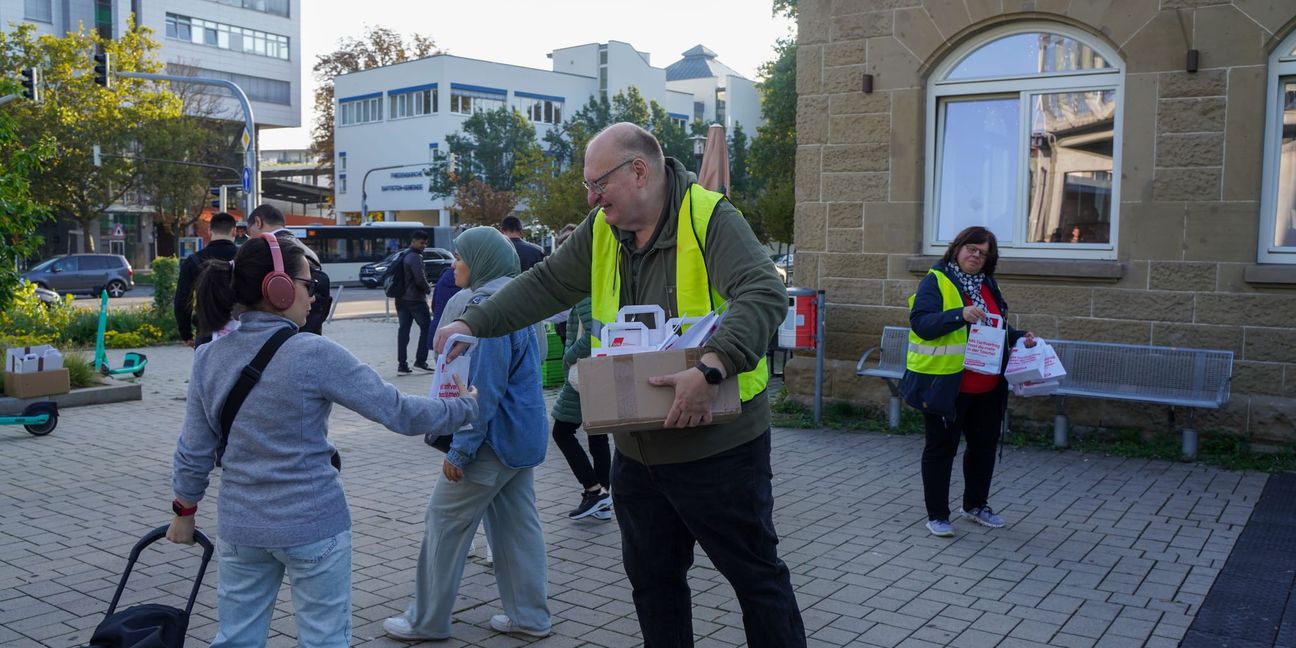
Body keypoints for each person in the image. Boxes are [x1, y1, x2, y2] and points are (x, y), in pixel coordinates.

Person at [434, 122, 805, 648]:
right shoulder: (602, 228)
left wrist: (712, 367)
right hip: (638, 450)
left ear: (638, 170)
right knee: (653, 585)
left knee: (755, 579)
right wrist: (473, 323)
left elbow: (763, 291)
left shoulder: (709, 217)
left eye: (597, 183)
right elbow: (546, 283)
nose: (590, 196)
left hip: (718, 447)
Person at [167, 234, 478, 648]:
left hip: (242, 528)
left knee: (236, 639)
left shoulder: (209, 356)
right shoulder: (314, 353)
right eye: (307, 284)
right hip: (313, 524)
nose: (313, 296)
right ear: (275, 287)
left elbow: (194, 450)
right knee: (324, 640)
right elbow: (400, 412)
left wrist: (184, 512)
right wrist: (464, 408)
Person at [384, 226, 551, 641]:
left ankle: (426, 621)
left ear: (481, 261)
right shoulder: (518, 299)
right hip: (521, 438)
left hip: (490, 443)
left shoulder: (484, 308)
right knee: (517, 530)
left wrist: (459, 452)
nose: (454, 264)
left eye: (461, 257)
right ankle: (530, 617)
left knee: (444, 524)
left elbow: (483, 391)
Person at [900, 225, 1036, 538]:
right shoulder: (936, 280)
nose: (976, 256)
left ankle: (975, 505)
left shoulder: (987, 284)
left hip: (987, 387)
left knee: (983, 448)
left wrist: (1018, 336)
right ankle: (937, 515)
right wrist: (959, 314)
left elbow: (995, 325)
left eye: (983, 253)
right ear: (958, 248)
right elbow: (921, 323)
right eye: (972, 249)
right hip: (946, 386)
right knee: (940, 450)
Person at [246, 204, 331, 335]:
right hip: (310, 330)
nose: (250, 237)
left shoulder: (268, 253)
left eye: (249, 232)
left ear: (258, 222)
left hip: (278, 331)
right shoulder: (308, 252)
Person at [175, 212, 238, 348]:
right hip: (241, 331)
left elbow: (182, 300)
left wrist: (186, 334)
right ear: (234, 231)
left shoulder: (192, 261)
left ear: (210, 232)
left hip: (206, 332)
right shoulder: (246, 258)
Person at [395, 230, 433, 374]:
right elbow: (420, 279)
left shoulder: (404, 255)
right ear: (414, 242)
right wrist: (428, 288)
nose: (424, 246)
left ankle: (402, 365)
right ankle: (420, 361)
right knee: (427, 328)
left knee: (403, 331)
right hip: (416, 300)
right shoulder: (415, 257)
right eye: (422, 243)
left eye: (425, 243)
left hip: (401, 299)